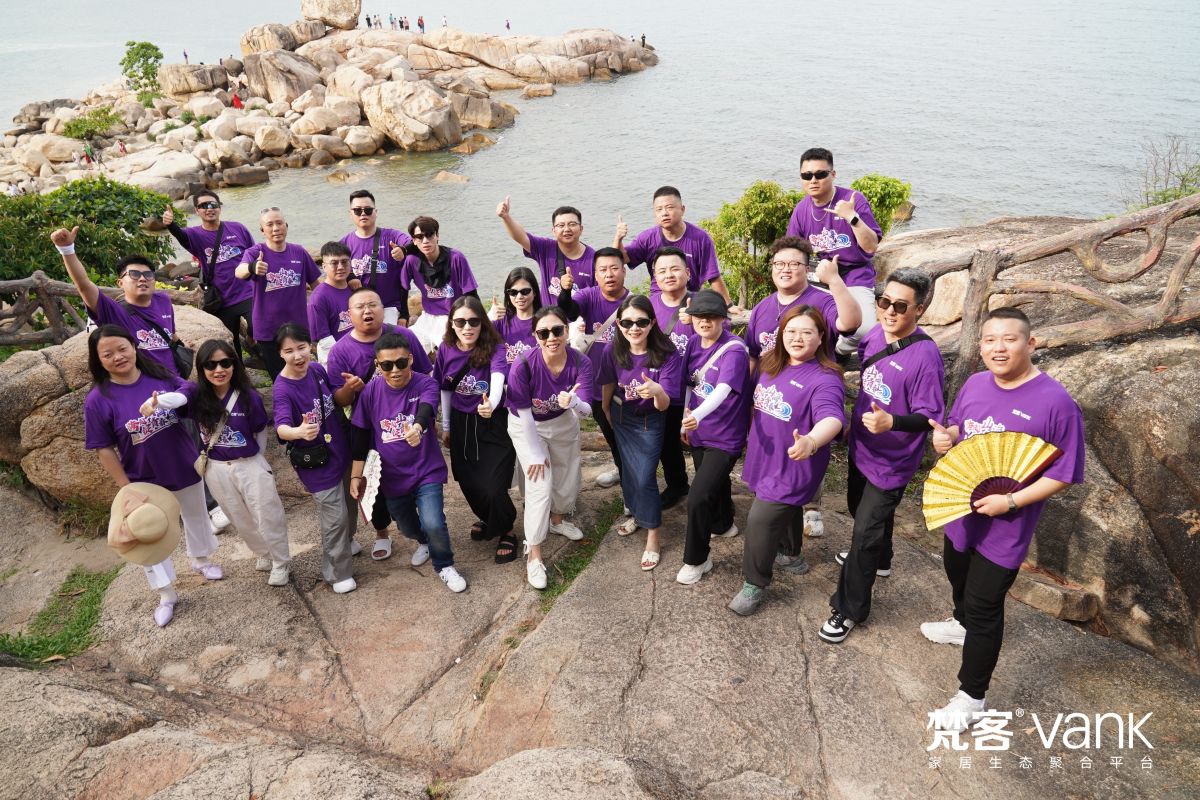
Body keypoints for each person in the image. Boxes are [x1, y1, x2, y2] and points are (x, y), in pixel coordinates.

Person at [923, 307, 1085, 732]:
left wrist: (1011, 502)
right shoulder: (976, 383)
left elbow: (1064, 474)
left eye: (1009, 339)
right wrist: (946, 437)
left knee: (984, 605)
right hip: (960, 510)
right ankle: (960, 624)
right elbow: (958, 427)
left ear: (1031, 343)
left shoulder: (1056, 402)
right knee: (956, 572)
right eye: (990, 339)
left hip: (1007, 526)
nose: (998, 348)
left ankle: (971, 697)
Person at [818, 269, 944, 640]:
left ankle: (848, 609)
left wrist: (893, 422)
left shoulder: (926, 357)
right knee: (858, 511)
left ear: (919, 310)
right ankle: (882, 560)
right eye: (884, 301)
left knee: (863, 534)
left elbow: (929, 417)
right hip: (861, 446)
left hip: (892, 462)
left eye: (900, 306)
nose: (889, 311)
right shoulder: (873, 335)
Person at [84, 325, 223, 626]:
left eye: (122, 348)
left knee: (196, 516)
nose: (117, 357)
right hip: (143, 478)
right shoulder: (98, 399)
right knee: (147, 532)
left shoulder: (158, 377)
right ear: (98, 360)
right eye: (107, 354)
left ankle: (201, 560)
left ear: (133, 347)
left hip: (183, 463)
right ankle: (166, 593)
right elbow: (103, 448)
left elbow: (189, 390)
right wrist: (125, 488)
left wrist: (169, 399)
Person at [142, 339, 293, 586]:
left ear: (234, 364)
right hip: (217, 469)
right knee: (239, 518)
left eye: (225, 363)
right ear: (202, 368)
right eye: (210, 365)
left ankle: (280, 561)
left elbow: (260, 431)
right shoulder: (197, 395)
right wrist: (155, 402)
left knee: (267, 515)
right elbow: (178, 399)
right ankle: (264, 553)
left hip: (249, 463)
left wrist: (257, 459)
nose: (218, 370)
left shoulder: (248, 397)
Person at [728, 307, 845, 615]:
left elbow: (832, 417)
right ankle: (791, 555)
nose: (797, 338)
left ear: (821, 337)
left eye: (807, 332)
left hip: (795, 464)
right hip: (764, 456)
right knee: (786, 507)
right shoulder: (769, 364)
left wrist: (812, 441)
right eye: (791, 331)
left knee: (760, 520)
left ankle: (754, 583)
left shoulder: (825, 378)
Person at [745, 235, 862, 539]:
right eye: (779, 263)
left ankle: (811, 507)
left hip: (808, 391)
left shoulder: (821, 300)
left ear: (806, 268)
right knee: (779, 458)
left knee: (807, 451)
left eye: (794, 264)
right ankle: (788, 540)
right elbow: (754, 355)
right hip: (772, 394)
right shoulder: (762, 307)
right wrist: (747, 396)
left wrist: (835, 281)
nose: (786, 269)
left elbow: (851, 323)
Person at [348, 333, 468, 591]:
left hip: (426, 470)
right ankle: (425, 542)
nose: (395, 370)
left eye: (401, 363)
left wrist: (418, 427)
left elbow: (427, 407)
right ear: (378, 365)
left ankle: (444, 565)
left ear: (411, 359)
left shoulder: (426, 383)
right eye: (387, 365)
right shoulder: (370, 392)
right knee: (406, 526)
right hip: (391, 477)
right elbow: (359, 436)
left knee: (433, 522)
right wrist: (356, 476)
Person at [327, 288, 431, 558]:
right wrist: (352, 389)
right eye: (360, 307)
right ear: (349, 314)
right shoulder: (340, 350)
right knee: (374, 483)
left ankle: (424, 530)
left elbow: (425, 375)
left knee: (416, 478)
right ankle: (382, 533)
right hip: (367, 427)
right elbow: (338, 399)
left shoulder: (404, 336)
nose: (367, 311)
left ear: (383, 308)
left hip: (406, 423)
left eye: (372, 304)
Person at [505, 306, 594, 588]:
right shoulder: (523, 365)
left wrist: (574, 402)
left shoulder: (580, 362)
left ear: (567, 331)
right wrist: (533, 453)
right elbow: (524, 413)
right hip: (527, 424)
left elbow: (587, 412)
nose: (551, 337)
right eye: (543, 333)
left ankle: (557, 520)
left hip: (563, 421)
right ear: (535, 336)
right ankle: (533, 553)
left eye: (557, 330)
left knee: (567, 477)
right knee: (540, 485)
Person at [272, 323, 358, 594]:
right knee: (335, 519)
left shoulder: (317, 370)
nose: (297, 356)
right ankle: (337, 574)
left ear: (309, 346)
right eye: (289, 351)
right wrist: (298, 431)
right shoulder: (282, 388)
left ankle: (346, 542)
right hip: (316, 462)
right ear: (280, 354)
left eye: (301, 348)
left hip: (340, 450)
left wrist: (350, 387)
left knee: (349, 506)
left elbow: (338, 398)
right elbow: (281, 427)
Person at [598, 295, 682, 570]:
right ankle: (637, 514)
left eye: (641, 322)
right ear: (619, 324)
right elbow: (608, 382)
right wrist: (607, 409)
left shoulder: (666, 352)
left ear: (652, 323)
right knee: (629, 471)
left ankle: (653, 533)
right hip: (622, 416)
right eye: (627, 323)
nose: (634, 328)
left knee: (645, 476)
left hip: (650, 420)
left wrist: (657, 391)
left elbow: (664, 404)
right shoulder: (613, 350)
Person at [434, 297, 518, 564]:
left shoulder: (495, 347)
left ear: (483, 322)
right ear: (452, 324)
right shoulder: (446, 349)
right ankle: (488, 517)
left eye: (473, 321)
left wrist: (490, 403)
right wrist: (446, 426)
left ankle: (506, 529)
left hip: (492, 422)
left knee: (493, 484)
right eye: (460, 322)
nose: (467, 327)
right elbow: (445, 389)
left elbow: (498, 378)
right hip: (461, 422)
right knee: (467, 480)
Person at [677, 290, 751, 585]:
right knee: (714, 483)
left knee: (698, 496)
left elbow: (723, 389)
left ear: (723, 319)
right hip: (698, 430)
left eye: (711, 316)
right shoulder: (694, 342)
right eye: (699, 316)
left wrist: (697, 415)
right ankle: (723, 524)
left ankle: (697, 559)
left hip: (725, 434)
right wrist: (686, 419)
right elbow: (689, 383)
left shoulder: (734, 349)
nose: (704, 321)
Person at [785, 147, 883, 356]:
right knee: (797, 326)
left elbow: (871, 246)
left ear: (833, 174)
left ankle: (837, 352)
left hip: (854, 275)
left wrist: (852, 217)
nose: (813, 180)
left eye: (820, 174)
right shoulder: (802, 209)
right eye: (807, 175)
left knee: (863, 330)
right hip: (819, 277)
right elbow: (792, 250)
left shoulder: (852, 200)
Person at [51, 226, 185, 378]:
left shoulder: (163, 300)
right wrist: (67, 250)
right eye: (134, 274)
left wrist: (181, 345)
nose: (142, 278)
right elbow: (84, 285)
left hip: (176, 380)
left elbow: (170, 333)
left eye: (148, 274)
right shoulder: (113, 311)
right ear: (120, 283)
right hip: (145, 385)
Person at [556, 248, 630, 490]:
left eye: (614, 268)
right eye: (603, 270)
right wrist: (565, 291)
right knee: (611, 435)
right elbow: (568, 311)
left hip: (626, 386)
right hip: (598, 385)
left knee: (627, 437)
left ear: (624, 271)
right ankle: (624, 474)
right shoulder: (588, 295)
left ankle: (631, 482)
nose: (609, 274)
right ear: (595, 275)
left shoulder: (634, 303)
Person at [164, 190, 256, 360]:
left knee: (256, 326)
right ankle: (240, 374)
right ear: (197, 210)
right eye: (203, 205)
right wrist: (171, 225)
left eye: (213, 204)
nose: (209, 208)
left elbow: (254, 255)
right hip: (221, 299)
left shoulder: (238, 228)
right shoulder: (194, 234)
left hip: (247, 292)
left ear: (219, 207)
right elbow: (182, 236)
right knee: (230, 345)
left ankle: (251, 342)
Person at [235, 208, 321, 379]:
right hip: (268, 329)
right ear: (262, 230)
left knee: (302, 372)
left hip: (298, 326)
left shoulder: (299, 252)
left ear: (286, 226)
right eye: (270, 224)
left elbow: (316, 285)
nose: (275, 228)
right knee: (280, 377)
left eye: (279, 223)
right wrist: (252, 267)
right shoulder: (255, 253)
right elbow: (239, 271)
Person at [614, 186, 733, 304]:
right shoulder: (647, 238)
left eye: (669, 207)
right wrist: (618, 239)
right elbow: (619, 260)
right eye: (659, 209)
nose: (664, 213)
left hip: (690, 301)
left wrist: (728, 305)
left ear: (682, 209)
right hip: (658, 301)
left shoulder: (700, 239)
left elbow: (713, 276)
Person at [646, 247, 698, 510]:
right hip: (662, 389)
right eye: (662, 271)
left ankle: (713, 494)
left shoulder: (702, 303)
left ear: (687, 273)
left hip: (695, 391)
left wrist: (697, 321)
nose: (669, 275)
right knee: (667, 442)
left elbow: (721, 339)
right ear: (655, 276)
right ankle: (677, 485)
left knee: (700, 443)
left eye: (675, 269)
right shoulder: (648, 305)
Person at [401, 216, 480, 353]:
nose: (425, 241)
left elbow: (471, 294)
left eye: (429, 235)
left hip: (453, 318)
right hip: (428, 317)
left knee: (451, 352)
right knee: (405, 346)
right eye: (419, 237)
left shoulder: (456, 257)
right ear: (414, 241)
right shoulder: (411, 261)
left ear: (437, 235)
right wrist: (403, 316)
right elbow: (402, 290)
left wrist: (476, 321)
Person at [496, 197, 595, 304]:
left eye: (572, 224)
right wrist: (506, 217)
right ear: (554, 231)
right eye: (561, 225)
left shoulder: (593, 258)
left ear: (581, 229)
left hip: (581, 315)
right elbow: (521, 237)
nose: (566, 229)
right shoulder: (546, 248)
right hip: (548, 314)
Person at [339, 189, 412, 326]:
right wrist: (350, 277)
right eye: (357, 210)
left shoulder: (392, 236)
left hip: (388, 307)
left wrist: (403, 250)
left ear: (375, 212)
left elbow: (414, 243)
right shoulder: (344, 244)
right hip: (358, 309)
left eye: (368, 210)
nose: (363, 214)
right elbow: (334, 273)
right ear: (350, 213)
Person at [308, 241, 356, 361]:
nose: (340, 267)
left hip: (360, 353)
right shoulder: (319, 298)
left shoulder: (355, 288)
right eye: (334, 263)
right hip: (337, 359)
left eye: (344, 262)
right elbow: (324, 341)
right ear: (324, 266)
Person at [493, 267, 542, 366]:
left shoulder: (545, 321)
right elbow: (474, 339)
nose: (519, 297)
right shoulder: (500, 320)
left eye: (525, 291)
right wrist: (488, 317)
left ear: (534, 292)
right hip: (503, 375)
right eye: (513, 292)